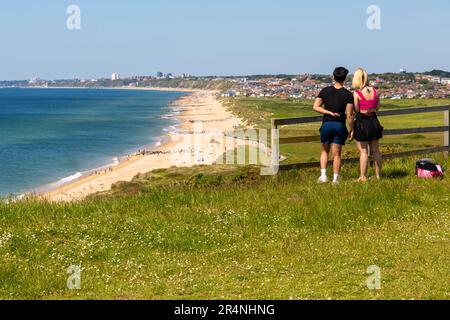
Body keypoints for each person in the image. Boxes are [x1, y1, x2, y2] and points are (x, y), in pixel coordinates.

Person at [313, 67, 354, 184]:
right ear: (345, 78)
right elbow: (349, 115)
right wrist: (352, 129)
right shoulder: (348, 94)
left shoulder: (325, 91)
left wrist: (328, 112)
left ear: (333, 77)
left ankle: (323, 176)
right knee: (337, 154)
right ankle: (335, 179)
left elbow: (316, 106)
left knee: (324, 151)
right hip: (339, 125)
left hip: (326, 124)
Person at [351, 68, 384, 182]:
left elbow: (356, 110)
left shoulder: (357, 93)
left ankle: (363, 176)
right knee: (376, 150)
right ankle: (378, 175)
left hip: (362, 122)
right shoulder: (375, 91)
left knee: (364, 151)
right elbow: (378, 107)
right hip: (374, 121)